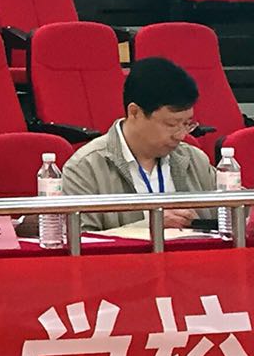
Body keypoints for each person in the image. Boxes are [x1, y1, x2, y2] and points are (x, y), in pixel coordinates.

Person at [61, 58, 216, 234]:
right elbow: (80, 240)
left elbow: (232, 221)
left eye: (187, 124)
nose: (181, 135)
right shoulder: (85, 167)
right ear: (134, 112)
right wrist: (148, 227)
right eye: (171, 124)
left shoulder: (195, 160)